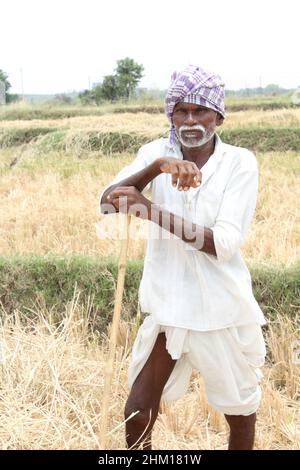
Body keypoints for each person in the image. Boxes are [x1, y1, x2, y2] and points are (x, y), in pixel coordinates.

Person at [99, 65, 266, 450]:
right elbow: (108, 203)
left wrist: (149, 210)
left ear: (218, 116)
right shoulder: (156, 153)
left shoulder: (239, 163)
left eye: (200, 111)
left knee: (240, 416)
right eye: (181, 112)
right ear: (170, 116)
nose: (190, 121)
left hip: (219, 309)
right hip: (168, 304)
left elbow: (222, 244)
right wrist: (157, 168)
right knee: (138, 410)